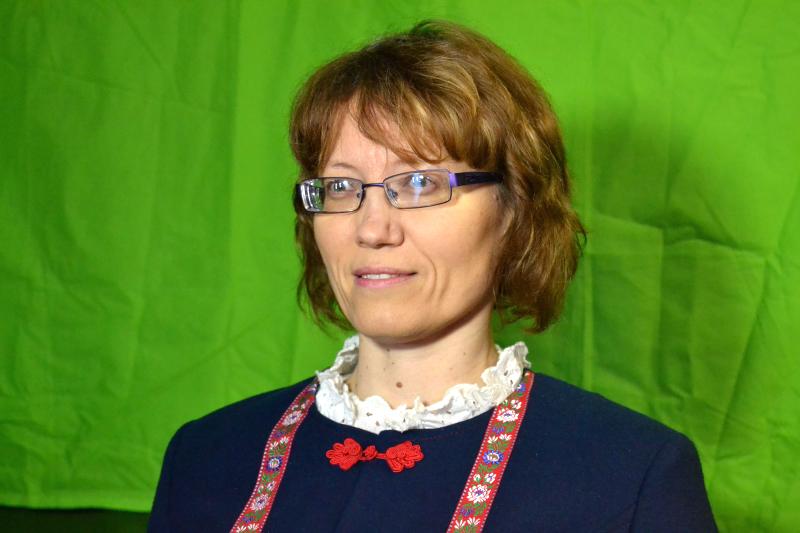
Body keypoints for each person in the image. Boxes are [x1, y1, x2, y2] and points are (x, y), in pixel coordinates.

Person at [148, 20, 717, 532]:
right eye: (342, 187)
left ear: (514, 209)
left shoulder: (631, 478)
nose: (373, 228)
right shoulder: (205, 459)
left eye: (420, 183)